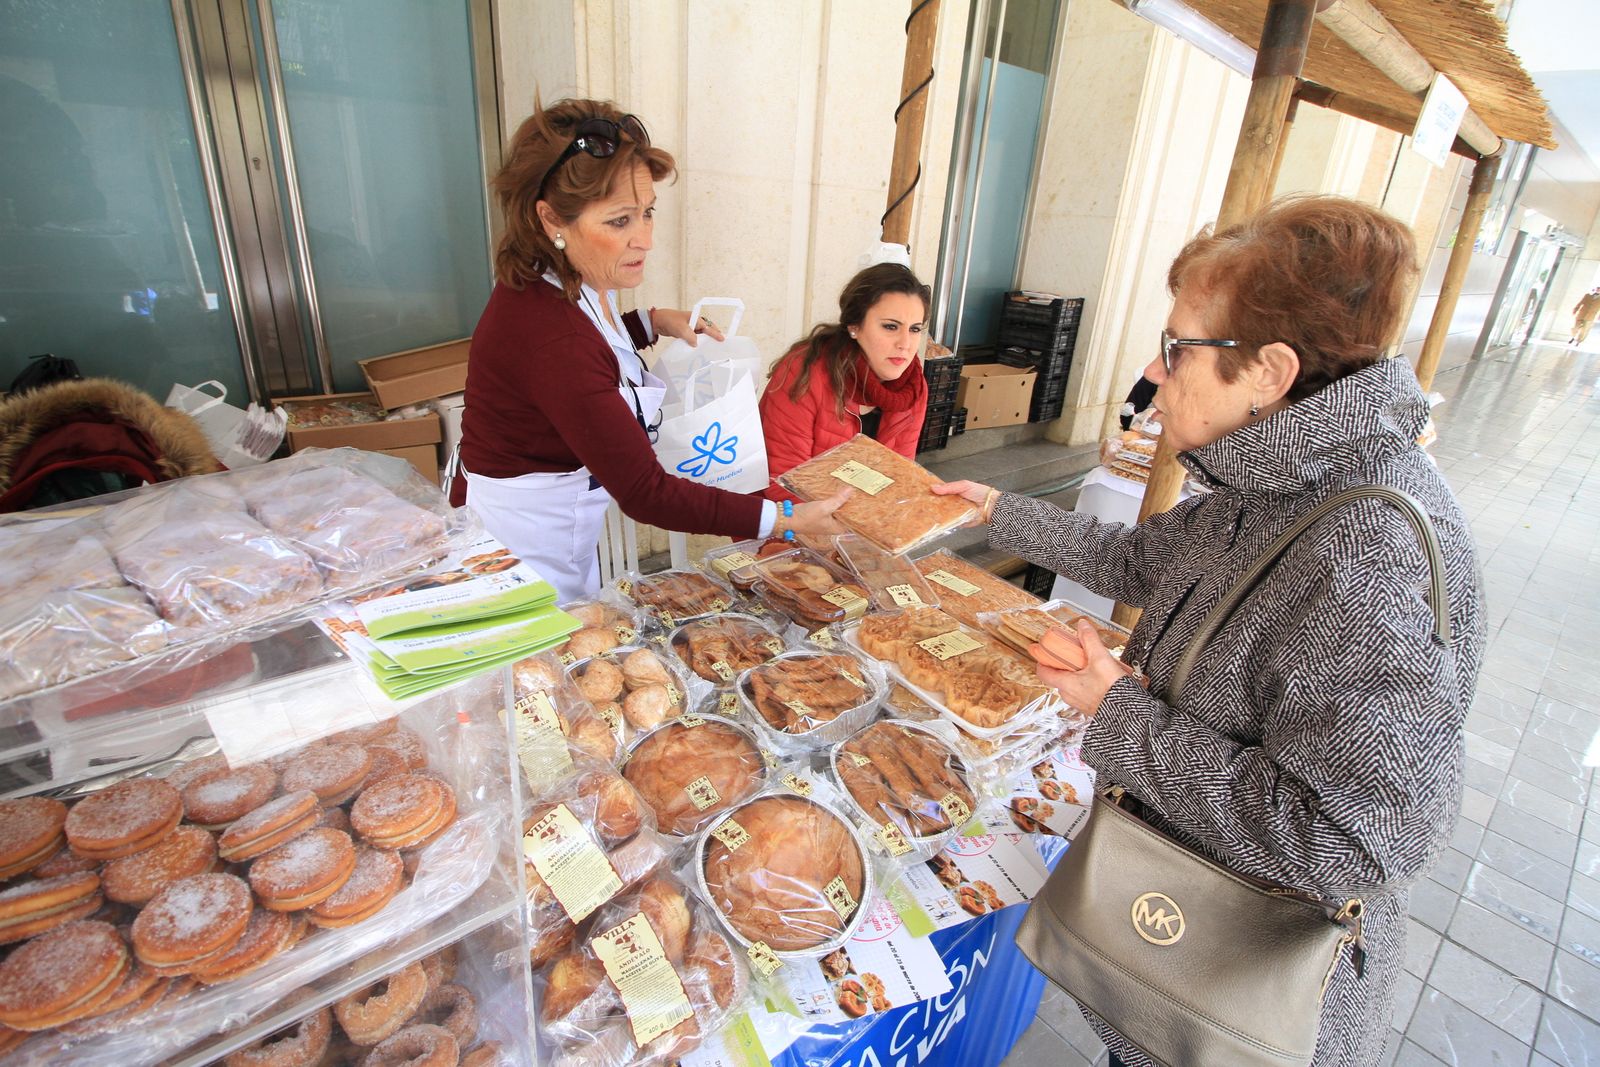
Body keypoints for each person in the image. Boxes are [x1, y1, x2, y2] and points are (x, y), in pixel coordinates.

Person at [935, 196, 1485, 1067]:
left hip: (1240, 1008)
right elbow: (1148, 559)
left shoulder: (1364, 558)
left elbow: (1348, 841)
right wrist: (998, 509)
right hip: (1175, 958)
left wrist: (1121, 713)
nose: (1155, 377)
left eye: (1178, 348)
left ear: (1269, 369)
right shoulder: (1278, 478)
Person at [451, 99, 847, 600]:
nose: (646, 239)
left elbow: (596, 340)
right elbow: (646, 493)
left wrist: (651, 322)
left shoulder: (571, 278)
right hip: (522, 551)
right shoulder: (551, 336)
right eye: (619, 221)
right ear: (552, 219)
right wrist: (784, 517)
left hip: (562, 526)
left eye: (648, 213)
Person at [759, 264, 930, 500]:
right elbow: (783, 484)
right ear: (855, 326)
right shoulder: (805, 373)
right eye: (890, 326)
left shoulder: (912, 388)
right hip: (788, 521)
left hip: (861, 523)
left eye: (915, 329)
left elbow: (900, 479)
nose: (905, 343)